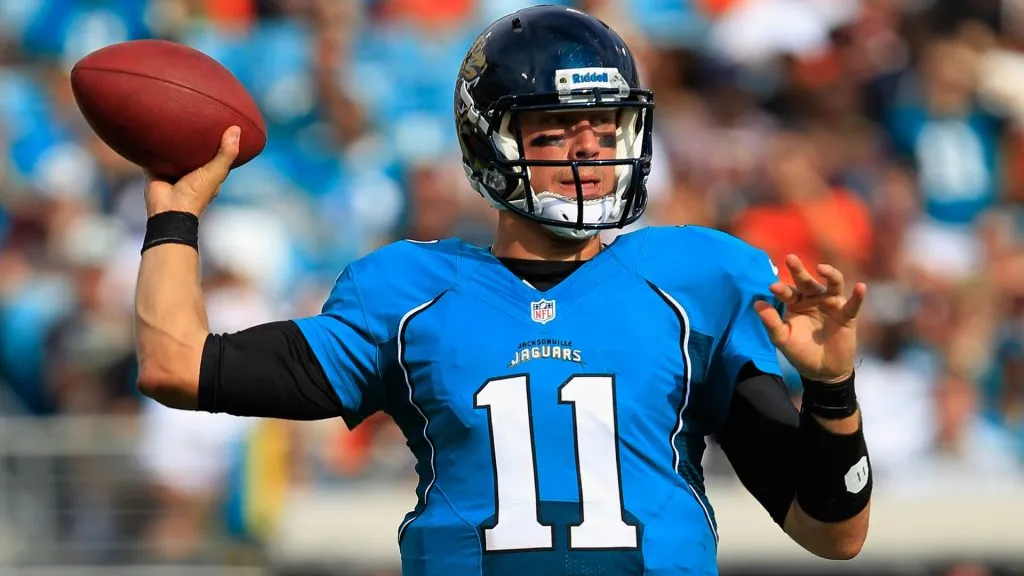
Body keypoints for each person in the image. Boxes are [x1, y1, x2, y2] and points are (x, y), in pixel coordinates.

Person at [134, 6, 872, 574]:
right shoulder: (410, 294)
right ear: (488, 141)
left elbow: (832, 532)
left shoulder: (695, 284)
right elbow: (177, 364)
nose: (588, 148)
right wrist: (174, 217)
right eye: (554, 129)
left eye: (603, 125)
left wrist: (832, 389)